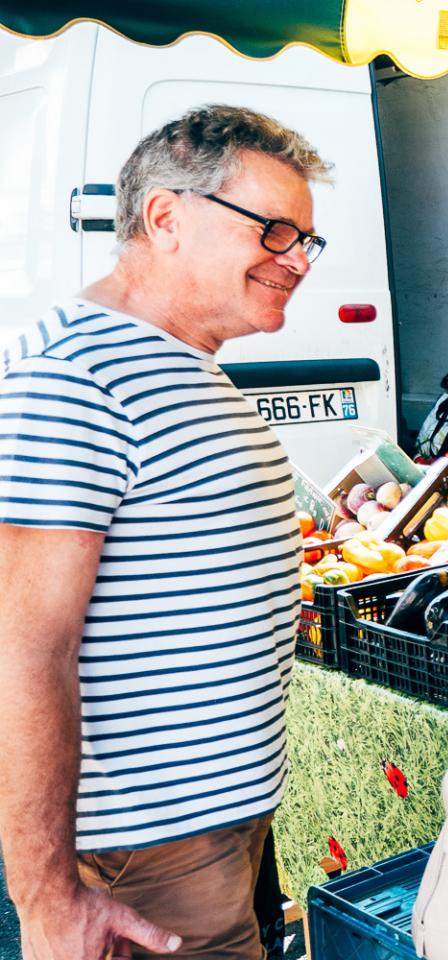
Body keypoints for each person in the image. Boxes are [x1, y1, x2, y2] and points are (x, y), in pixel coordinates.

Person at [0, 105, 329, 959]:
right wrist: (46, 899)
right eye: (276, 229)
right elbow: (25, 649)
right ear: (165, 217)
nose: (297, 260)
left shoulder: (185, 363)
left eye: (306, 239)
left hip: (217, 831)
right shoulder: (74, 376)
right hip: (142, 856)